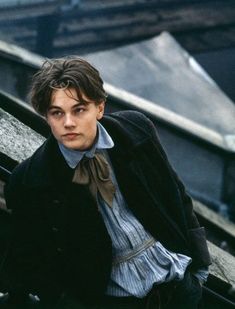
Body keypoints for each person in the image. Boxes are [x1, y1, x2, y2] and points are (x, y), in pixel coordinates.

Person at [2, 57, 211, 309]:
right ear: (47, 117)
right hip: (113, 299)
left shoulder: (135, 130)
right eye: (57, 112)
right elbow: (29, 258)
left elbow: (175, 192)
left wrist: (199, 266)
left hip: (177, 282)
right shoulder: (30, 180)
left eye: (79, 109)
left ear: (99, 108)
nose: (68, 123)